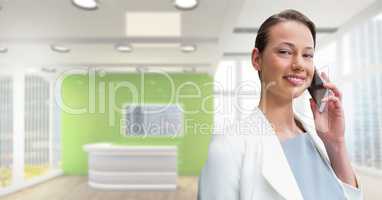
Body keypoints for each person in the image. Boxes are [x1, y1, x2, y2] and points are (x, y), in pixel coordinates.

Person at [198, 9, 363, 200]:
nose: (299, 64)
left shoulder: (319, 137)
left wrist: (336, 143)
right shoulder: (227, 148)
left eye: (307, 55)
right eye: (285, 52)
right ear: (257, 59)